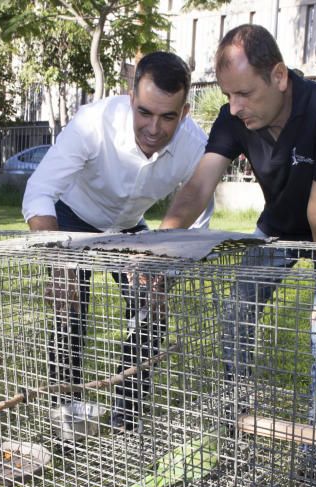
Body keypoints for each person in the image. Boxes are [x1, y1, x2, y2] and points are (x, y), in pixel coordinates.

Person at [160, 25, 316, 444]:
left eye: (244, 94)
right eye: (227, 95)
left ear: (278, 77)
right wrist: (161, 244)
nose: (235, 108)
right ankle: (235, 421)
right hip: (279, 223)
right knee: (236, 312)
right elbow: (199, 187)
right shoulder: (233, 117)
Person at [22, 51, 214, 432]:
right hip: (73, 215)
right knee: (70, 300)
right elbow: (39, 191)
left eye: (168, 116)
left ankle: (128, 411)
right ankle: (67, 407)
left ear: (186, 111)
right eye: (145, 112)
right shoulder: (94, 122)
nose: (154, 128)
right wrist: (57, 263)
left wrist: (163, 270)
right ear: (131, 98)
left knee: (151, 306)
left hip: (129, 226)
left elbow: (200, 214)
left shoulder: (196, 146)